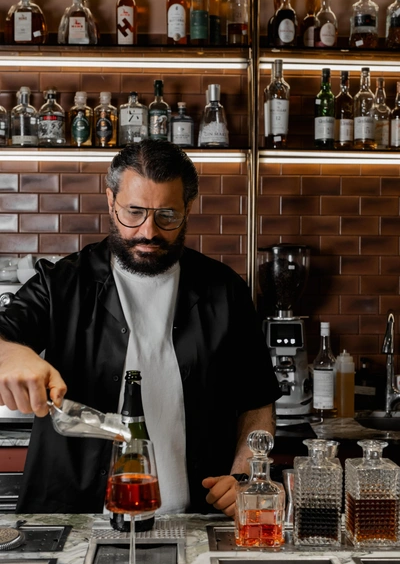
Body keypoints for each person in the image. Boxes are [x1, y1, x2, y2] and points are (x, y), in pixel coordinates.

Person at [0, 140, 281, 517]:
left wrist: (245, 475)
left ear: (188, 208)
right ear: (110, 201)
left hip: (193, 523)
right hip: (75, 521)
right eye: (134, 212)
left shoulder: (225, 291)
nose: (148, 231)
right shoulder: (61, 284)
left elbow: (257, 401)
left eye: (167, 214)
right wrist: (11, 354)